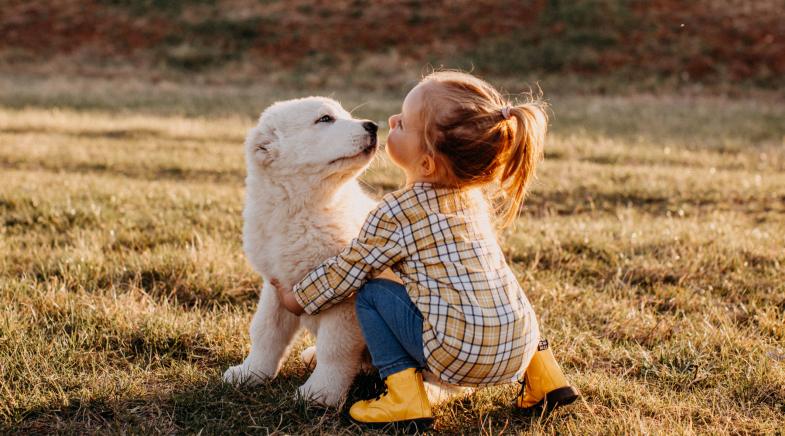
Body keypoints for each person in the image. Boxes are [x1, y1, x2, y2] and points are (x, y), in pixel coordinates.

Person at [272, 71, 578, 429]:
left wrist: (299, 300)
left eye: (402, 124)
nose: (391, 121)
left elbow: (347, 270)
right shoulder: (473, 201)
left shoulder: (395, 214)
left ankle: (404, 394)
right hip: (520, 350)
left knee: (369, 293)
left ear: (428, 163)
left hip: (456, 361)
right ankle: (547, 378)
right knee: (496, 284)